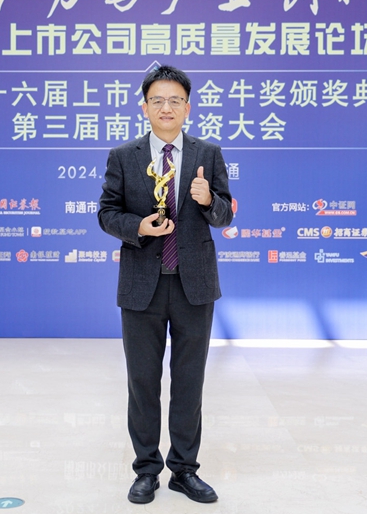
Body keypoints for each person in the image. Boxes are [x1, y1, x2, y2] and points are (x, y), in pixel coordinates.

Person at [98, 65, 233, 504]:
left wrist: (209, 200)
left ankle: (184, 470)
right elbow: (106, 213)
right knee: (143, 382)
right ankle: (146, 470)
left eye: (175, 100)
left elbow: (226, 214)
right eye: (158, 100)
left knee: (189, 382)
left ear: (187, 108)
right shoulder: (124, 156)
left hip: (195, 284)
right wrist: (139, 227)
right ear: (145, 108)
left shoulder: (208, 154)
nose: (166, 107)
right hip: (142, 285)